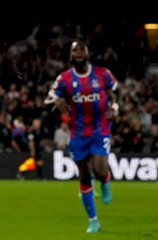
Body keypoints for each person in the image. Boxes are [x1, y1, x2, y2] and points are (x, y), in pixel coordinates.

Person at [46, 41, 118, 234]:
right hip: (77, 132)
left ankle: (104, 181)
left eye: (81, 50)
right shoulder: (65, 78)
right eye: (74, 50)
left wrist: (114, 107)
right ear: (71, 55)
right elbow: (49, 96)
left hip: (100, 128)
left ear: (87, 53)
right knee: (84, 175)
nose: (78, 53)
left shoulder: (102, 74)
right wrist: (57, 101)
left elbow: (114, 92)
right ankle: (93, 221)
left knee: (99, 170)